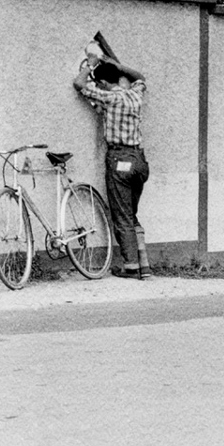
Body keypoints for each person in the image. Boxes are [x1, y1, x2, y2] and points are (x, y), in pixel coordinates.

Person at [73, 44, 150, 279]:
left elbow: (79, 84)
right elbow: (140, 78)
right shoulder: (135, 94)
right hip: (139, 160)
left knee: (122, 216)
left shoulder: (108, 97)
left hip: (119, 160)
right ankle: (144, 265)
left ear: (104, 83)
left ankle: (131, 267)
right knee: (132, 213)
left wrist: (89, 65)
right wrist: (118, 65)